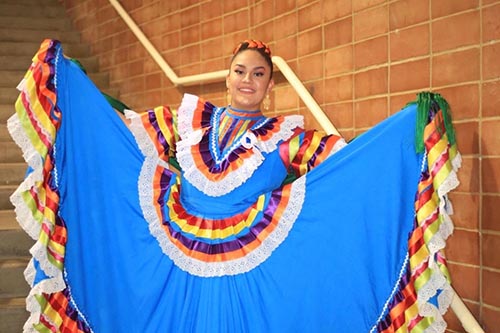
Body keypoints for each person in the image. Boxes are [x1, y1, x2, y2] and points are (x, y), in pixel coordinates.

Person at [9, 39, 460, 333]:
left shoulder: (287, 137)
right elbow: (120, 133)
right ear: (227, 77)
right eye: (241, 71)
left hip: (253, 267)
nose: (248, 80)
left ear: (269, 85)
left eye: (258, 74)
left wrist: (406, 134)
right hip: (177, 261)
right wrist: (73, 87)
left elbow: (350, 163)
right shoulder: (188, 121)